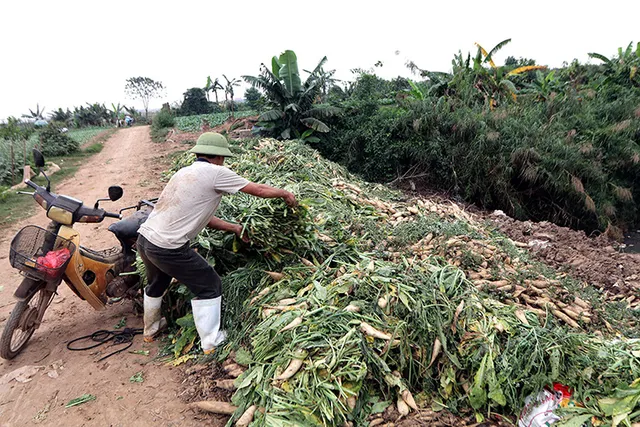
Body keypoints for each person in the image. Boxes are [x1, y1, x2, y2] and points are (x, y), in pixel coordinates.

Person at [136, 132, 297, 353]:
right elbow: (258, 190)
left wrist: (234, 228)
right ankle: (212, 341)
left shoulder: (184, 172)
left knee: (157, 283)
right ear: (219, 157)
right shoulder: (216, 172)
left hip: (145, 239)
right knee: (210, 284)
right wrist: (284, 193)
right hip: (168, 247)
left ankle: (151, 330)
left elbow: (200, 216)